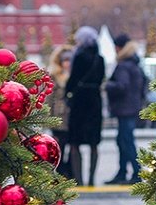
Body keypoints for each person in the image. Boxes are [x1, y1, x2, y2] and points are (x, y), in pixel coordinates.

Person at [104, 33, 148, 184]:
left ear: (119, 47)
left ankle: (136, 172)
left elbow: (121, 86)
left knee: (126, 141)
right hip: (132, 107)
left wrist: (107, 85)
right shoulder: (134, 63)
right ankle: (122, 172)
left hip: (124, 109)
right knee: (122, 140)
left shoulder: (123, 65)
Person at [64, 26, 105, 186]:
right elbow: (102, 78)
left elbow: (72, 79)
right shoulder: (100, 58)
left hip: (80, 101)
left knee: (75, 142)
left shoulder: (79, 56)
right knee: (94, 143)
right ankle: (92, 180)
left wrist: (67, 94)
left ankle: (79, 180)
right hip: (95, 101)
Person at [47, 45, 73, 174]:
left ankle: (69, 171)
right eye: (65, 60)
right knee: (60, 146)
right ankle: (62, 171)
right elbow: (50, 99)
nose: (67, 63)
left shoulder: (75, 75)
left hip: (72, 116)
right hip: (59, 116)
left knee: (71, 146)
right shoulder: (55, 76)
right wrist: (49, 118)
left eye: (69, 60)